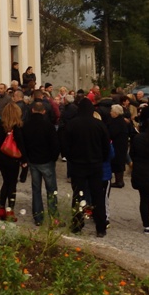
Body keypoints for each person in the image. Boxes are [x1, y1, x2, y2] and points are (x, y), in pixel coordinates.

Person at [60, 98, 110, 237]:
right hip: (95, 165)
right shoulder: (99, 125)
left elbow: (65, 146)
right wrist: (101, 159)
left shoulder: (72, 125)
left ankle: (77, 224)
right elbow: (106, 146)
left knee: (78, 196)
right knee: (97, 197)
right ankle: (101, 227)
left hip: (77, 165)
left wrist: (71, 158)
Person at [22, 100, 61, 226]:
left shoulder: (26, 125)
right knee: (51, 190)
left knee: (36, 189)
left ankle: (38, 217)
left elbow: (24, 144)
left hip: (33, 160)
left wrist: (27, 157)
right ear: (44, 111)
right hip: (46, 160)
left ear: (32, 110)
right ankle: (54, 217)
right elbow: (55, 144)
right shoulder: (48, 126)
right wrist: (53, 158)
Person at [0, 102, 27, 221]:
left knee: (5, 182)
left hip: (2, 157)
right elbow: (20, 144)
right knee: (12, 184)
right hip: (13, 158)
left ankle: (2, 208)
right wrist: (24, 159)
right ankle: (10, 210)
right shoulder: (17, 126)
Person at [107, 104, 130, 188]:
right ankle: (119, 180)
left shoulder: (117, 122)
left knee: (118, 163)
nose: (110, 113)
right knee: (119, 162)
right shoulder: (120, 120)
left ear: (116, 113)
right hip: (121, 144)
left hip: (118, 145)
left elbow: (112, 133)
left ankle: (119, 181)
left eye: (112, 111)